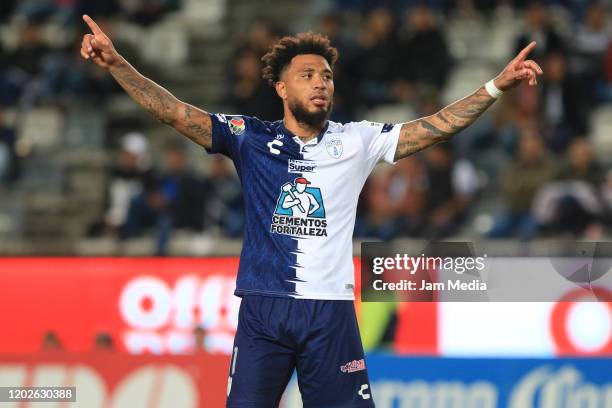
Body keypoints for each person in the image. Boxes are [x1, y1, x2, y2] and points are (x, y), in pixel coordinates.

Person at [80, 14, 542, 407]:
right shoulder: (251, 138)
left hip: (331, 311)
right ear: (282, 88)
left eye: (326, 76)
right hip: (265, 307)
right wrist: (117, 64)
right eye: (307, 75)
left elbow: (432, 130)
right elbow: (177, 115)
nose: (320, 83)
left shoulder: (356, 139)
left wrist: (495, 86)